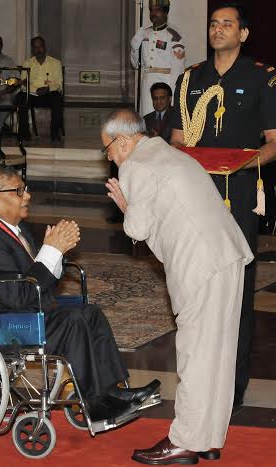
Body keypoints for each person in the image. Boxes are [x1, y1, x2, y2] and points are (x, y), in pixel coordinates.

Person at [103, 109, 252, 464]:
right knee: (219, 352)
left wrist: (126, 205)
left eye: (107, 149)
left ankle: (184, 440)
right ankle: (208, 438)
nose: (107, 157)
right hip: (227, 255)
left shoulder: (135, 165)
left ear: (124, 140)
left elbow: (137, 229)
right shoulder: (169, 153)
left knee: (195, 353)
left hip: (200, 264)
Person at [0, 165, 160, 422]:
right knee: (72, 322)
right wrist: (51, 251)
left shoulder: (11, 230)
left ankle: (114, 392)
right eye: (18, 191)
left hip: (20, 313)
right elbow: (19, 296)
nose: (28, 196)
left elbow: (37, 287)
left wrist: (55, 254)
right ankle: (93, 403)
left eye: (25, 188)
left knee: (90, 313)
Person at [170, 2, 276, 408]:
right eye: (214, 24)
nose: (218, 30)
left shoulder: (262, 78)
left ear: (243, 34)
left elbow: (272, 140)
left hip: (239, 194)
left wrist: (239, 163)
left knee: (236, 288)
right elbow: (179, 140)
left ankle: (232, 388)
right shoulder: (191, 78)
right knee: (192, 284)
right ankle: (196, 383)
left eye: (227, 25)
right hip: (196, 193)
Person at [130, 0, 185, 117]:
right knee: (146, 117)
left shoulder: (173, 36)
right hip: (147, 83)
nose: (153, 13)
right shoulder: (144, 34)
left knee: (164, 119)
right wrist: (134, 48)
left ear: (165, 13)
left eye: (157, 10)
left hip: (165, 82)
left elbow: (178, 68)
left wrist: (172, 93)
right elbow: (135, 64)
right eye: (151, 10)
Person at [16, 36, 63, 141]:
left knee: (57, 99)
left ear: (45, 47)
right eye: (35, 47)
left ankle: (54, 133)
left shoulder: (56, 63)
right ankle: (25, 133)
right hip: (32, 94)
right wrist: (35, 90)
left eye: (40, 47)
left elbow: (58, 83)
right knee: (20, 98)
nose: (38, 50)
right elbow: (24, 82)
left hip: (49, 93)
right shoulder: (27, 63)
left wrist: (48, 88)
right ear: (32, 49)